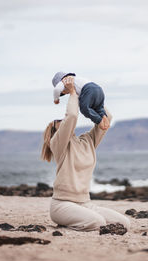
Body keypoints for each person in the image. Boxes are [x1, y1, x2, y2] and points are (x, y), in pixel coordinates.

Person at [42, 75, 130, 231]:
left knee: (124, 223)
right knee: (97, 223)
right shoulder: (58, 145)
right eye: (58, 121)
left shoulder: (87, 141)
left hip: (85, 203)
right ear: (55, 131)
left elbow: (107, 118)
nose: (62, 120)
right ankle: (67, 222)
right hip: (62, 205)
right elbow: (72, 116)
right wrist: (72, 93)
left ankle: (76, 220)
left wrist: (86, 92)